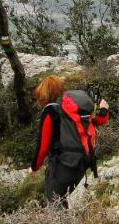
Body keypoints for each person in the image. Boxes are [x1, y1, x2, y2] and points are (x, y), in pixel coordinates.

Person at [30, 75, 109, 208]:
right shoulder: (72, 109)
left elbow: (43, 146)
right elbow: (99, 120)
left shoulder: (50, 111)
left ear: (42, 95)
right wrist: (104, 109)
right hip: (82, 164)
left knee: (54, 203)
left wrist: (34, 167)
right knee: (63, 200)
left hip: (64, 165)